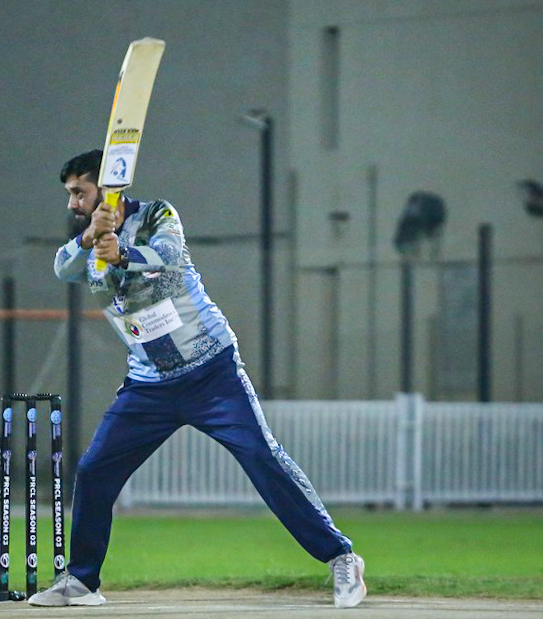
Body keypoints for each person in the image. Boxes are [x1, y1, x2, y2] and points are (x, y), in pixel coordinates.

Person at [28, 150, 366, 609]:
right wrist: (92, 236)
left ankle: (342, 557)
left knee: (262, 458)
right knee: (93, 470)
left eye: (78, 192)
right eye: (70, 194)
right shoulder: (87, 241)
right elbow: (61, 268)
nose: (72, 203)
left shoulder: (157, 215)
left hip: (211, 373)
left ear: (106, 188)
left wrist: (123, 252)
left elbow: (168, 258)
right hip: (149, 385)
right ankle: (83, 582)